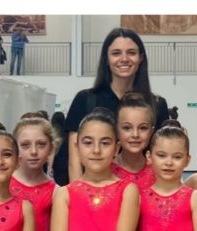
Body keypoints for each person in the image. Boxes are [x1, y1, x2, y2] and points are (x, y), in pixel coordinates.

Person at [65, 28, 169, 183]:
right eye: (116, 53)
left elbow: (165, 154)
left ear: (141, 58)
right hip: (96, 190)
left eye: (131, 53)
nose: (124, 59)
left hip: (147, 190)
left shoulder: (157, 105)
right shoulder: (85, 100)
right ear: (106, 59)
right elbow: (74, 160)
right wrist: (79, 193)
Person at [111, 92, 156, 190]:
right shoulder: (106, 170)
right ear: (117, 130)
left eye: (143, 128)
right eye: (127, 128)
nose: (135, 135)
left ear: (151, 132)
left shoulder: (158, 172)